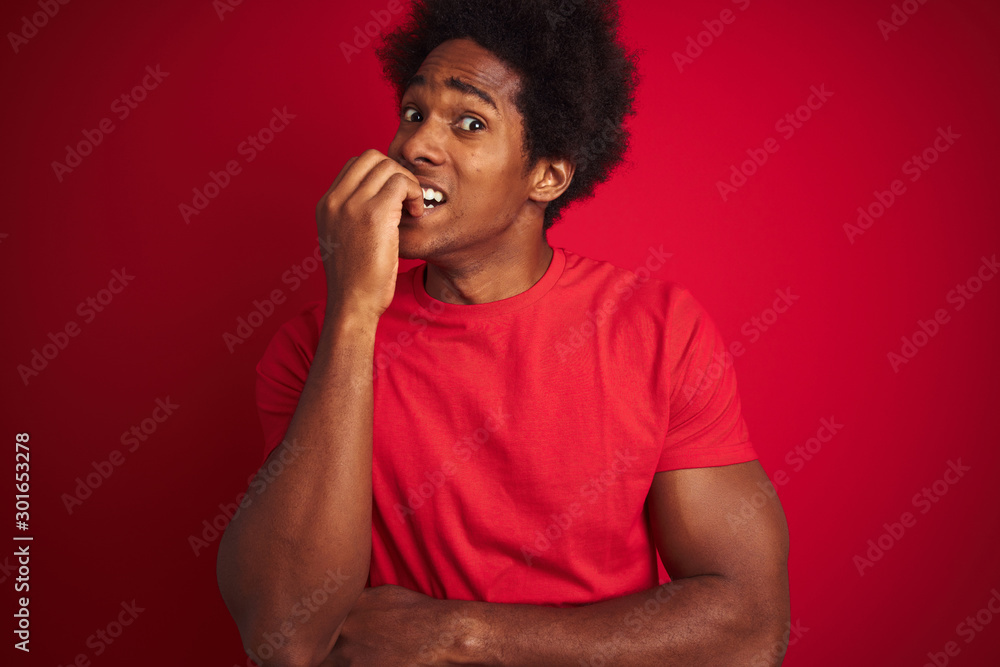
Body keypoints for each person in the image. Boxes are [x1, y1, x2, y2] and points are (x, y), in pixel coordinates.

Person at [217, 1, 790, 665]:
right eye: (413, 113)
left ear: (546, 176)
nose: (415, 146)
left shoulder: (660, 330)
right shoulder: (314, 345)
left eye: (469, 122)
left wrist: (463, 636)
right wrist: (353, 310)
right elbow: (285, 635)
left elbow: (750, 628)